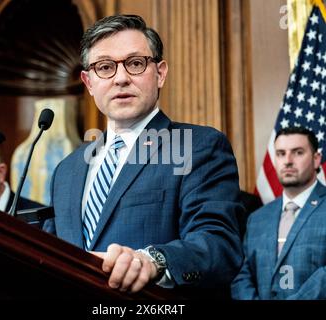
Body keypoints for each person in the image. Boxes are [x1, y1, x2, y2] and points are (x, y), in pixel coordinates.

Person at [43, 14, 243, 297]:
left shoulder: (198, 146)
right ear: (88, 82)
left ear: (160, 73)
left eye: (135, 64)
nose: (121, 78)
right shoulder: (67, 169)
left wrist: (153, 261)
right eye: (105, 67)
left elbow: (220, 245)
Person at [231, 127, 326, 299]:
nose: (287, 161)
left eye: (298, 152)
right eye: (281, 153)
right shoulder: (257, 218)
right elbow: (241, 275)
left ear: (316, 159)